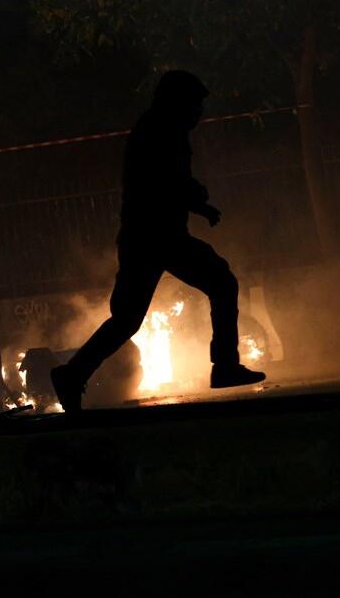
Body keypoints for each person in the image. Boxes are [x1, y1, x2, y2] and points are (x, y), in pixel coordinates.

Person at [51, 70, 265, 413]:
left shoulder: (158, 129)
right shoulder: (161, 131)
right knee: (220, 283)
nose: (198, 112)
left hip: (149, 237)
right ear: (177, 101)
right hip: (157, 237)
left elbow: (165, 183)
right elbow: (164, 182)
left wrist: (197, 203)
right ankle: (224, 366)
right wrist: (197, 197)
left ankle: (72, 375)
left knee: (127, 319)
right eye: (194, 103)